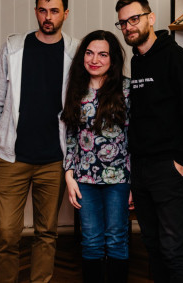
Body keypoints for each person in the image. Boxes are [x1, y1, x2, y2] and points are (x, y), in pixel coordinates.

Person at [0, 0, 79, 283]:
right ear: (36, 11)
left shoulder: (75, 50)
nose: (47, 17)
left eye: (54, 11)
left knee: (46, 232)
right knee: (7, 233)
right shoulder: (14, 47)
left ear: (65, 14)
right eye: (42, 10)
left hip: (54, 159)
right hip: (13, 156)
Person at [115, 0, 183, 283]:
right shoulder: (138, 60)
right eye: (123, 22)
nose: (129, 26)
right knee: (153, 246)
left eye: (134, 19)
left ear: (151, 18)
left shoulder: (175, 57)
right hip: (142, 169)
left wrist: (180, 160)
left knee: (172, 249)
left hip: (169, 169)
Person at [61, 30, 131, 282]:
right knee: (91, 241)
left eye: (103, 54)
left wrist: (134, 182)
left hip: (119, 179)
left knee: (116, 240)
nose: (94, 60)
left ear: (113, 59)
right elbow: (71, 135)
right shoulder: (76, 89)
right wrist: (69, 175)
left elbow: (135, 137)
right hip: (84, 178)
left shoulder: (127, 88)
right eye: (89, 53)